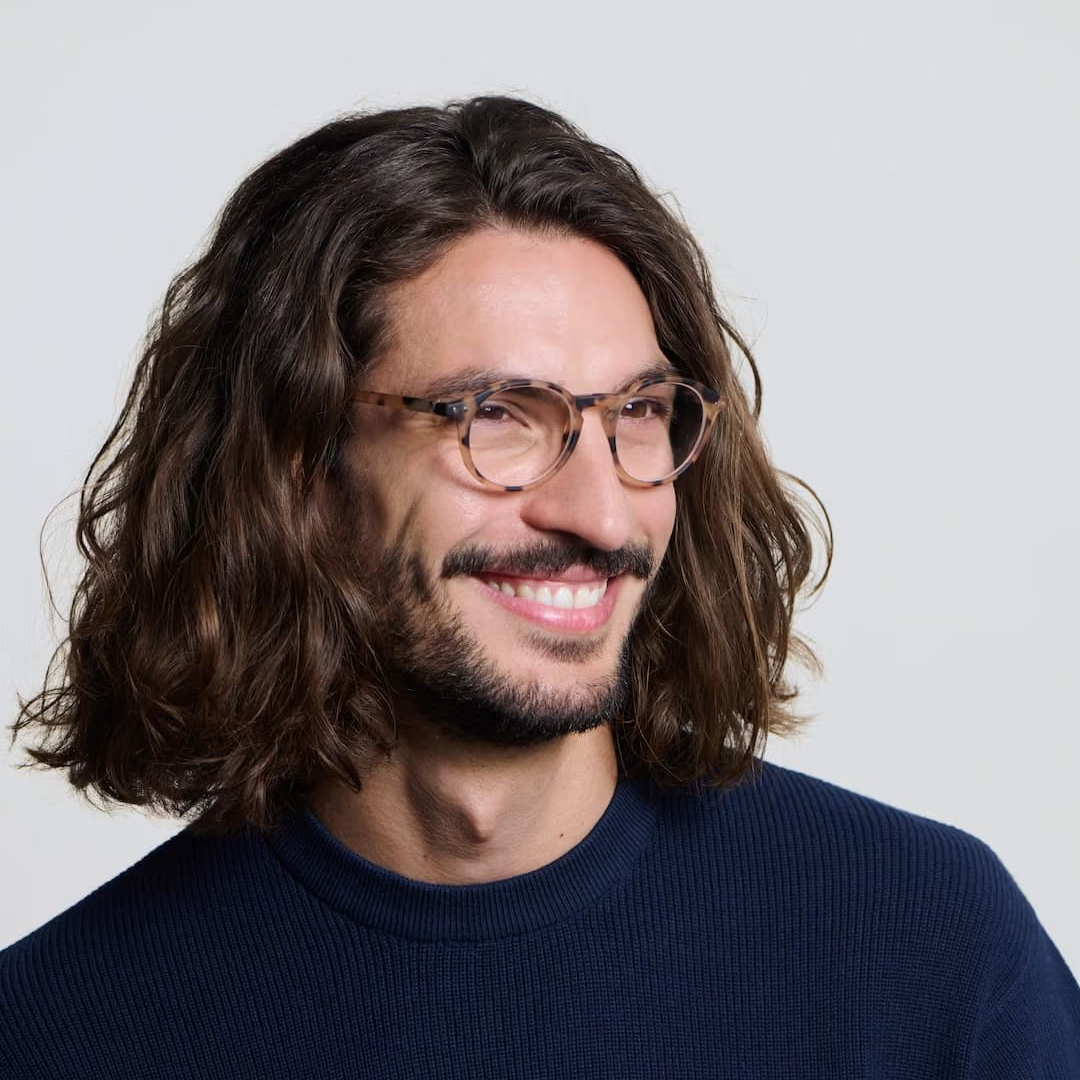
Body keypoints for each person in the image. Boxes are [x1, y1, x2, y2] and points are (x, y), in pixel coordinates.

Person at [2, 95, 1077, 1079]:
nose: (603, 516)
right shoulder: (59, 1028)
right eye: (500, 416)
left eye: (639, 415)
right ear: (302, 467)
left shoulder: (930, 950)